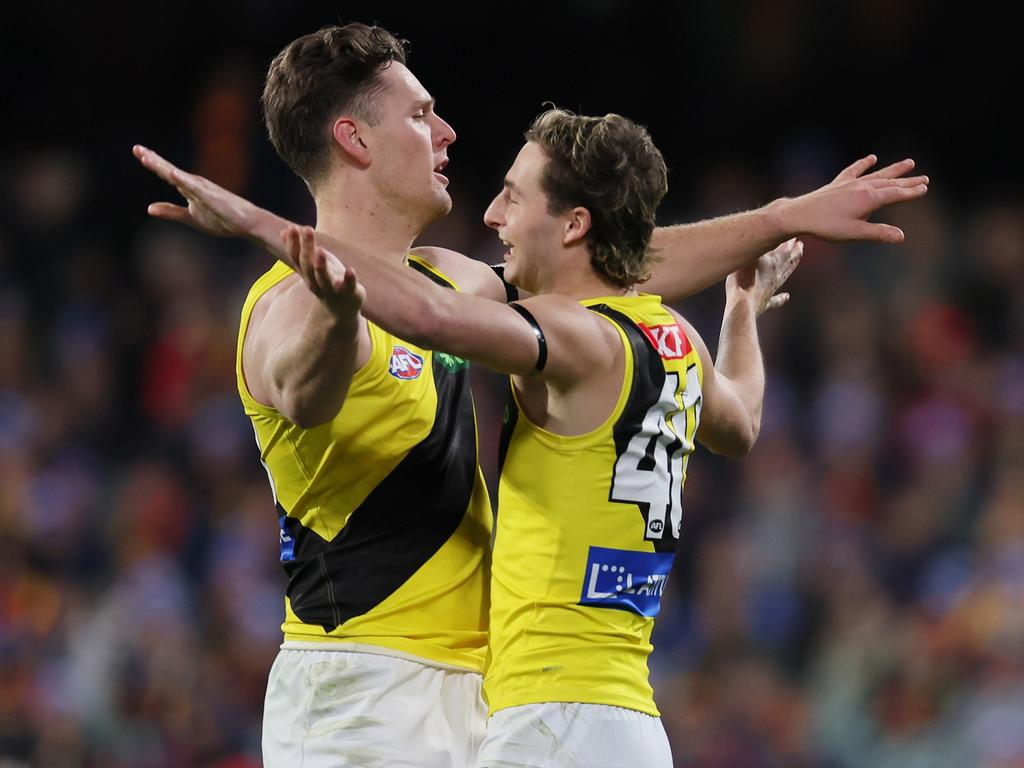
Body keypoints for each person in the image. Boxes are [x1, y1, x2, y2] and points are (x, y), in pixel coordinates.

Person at [133, 22, 928, 767]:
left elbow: (601, 264)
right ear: (354, 139)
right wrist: (334, 304)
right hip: (359, 688)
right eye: (421, 115)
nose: (446, 134)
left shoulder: (451, 279)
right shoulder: (285, 308)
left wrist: (786, 217)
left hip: (480, 691)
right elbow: (305, 392)